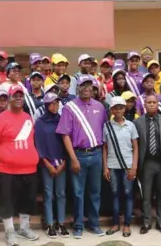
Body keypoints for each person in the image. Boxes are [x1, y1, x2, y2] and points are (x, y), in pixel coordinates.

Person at [0, 85, 40, 245]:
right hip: (7, 170)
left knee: (27, 200)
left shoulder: (28, 118)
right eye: (15, 96)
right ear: (9, 98)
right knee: (7, 201)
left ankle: (24, 228)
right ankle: (9, 231)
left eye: (20, 96)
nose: (18, 98)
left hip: (29, 168)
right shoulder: (0, 120)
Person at [56, 75, 107, 239]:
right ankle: (78, 225)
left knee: (95, 192)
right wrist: (73, 158)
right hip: (79, 155)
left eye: (89, 85)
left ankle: (94, 223)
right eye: (83, 85)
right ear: (77, 88)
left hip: (97, 154)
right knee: (78, 193)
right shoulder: (69, 107)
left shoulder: (100, 106)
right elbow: (65, 135)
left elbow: (104, 132)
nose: (87, 88)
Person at [134, 94, 161, 235]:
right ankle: (146, 222)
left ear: (158, 105)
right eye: (148, 102)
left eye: (154, 102)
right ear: (144, 105)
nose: (151, 104)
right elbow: (135, 145)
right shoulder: (138, 122)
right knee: (146, 195)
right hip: (146, 164)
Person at [34, 92, 69, 238]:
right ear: (47, 105)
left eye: (57, 103)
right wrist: (47, 164)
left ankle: (61, 222)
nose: (55, 106)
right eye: (52, 103)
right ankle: (49, 224)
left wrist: (64, 162)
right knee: (48, 194)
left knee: (61, 194)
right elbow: (39, 145)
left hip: (61, 163)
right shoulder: (40, 123)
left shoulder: (62, 120)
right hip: (46, 163)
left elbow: (67, 143)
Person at [102, 96, 138, 237]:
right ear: (111, 110)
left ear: (125, 109)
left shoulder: (131, 125)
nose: (118, 110)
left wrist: (134, 166)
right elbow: (104, 148)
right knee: (115, 195)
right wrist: (105, 167)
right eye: (115, 108)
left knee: (128, 195)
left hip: (128, 166)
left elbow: (135, 147)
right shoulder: (107, 126)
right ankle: (115, 223)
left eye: (121, 107)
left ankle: (127, 225)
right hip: (112, 166)